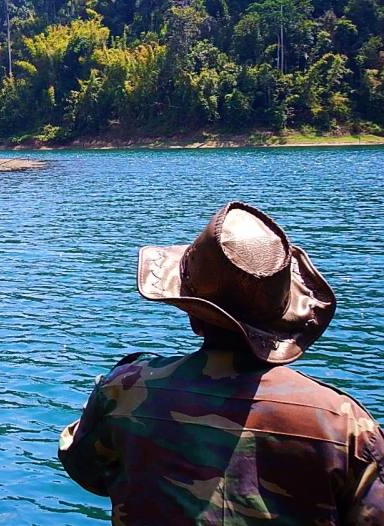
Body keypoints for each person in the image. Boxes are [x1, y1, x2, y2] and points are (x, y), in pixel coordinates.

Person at [58, 201, 384, 524]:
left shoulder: (124, 389)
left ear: (193, 313)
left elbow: (86, 469)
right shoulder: (342, 425)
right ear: (281, 319)